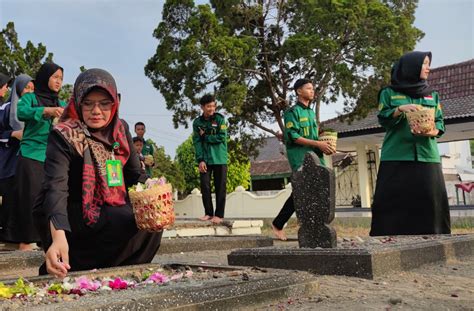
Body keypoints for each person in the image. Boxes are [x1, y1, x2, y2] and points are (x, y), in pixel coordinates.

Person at [33, 68, 163, 278]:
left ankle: (118, 272)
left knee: (146, 219)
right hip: (67, 211)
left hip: (106, 207)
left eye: (104, 104)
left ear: (115, 103)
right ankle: (70, 264)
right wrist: (57, 236)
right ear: (77, 102)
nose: (96, 111)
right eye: (88, 103)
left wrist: (152, 193)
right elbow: (55, 187)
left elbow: (134, 176)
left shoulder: (120, 130)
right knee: (120, 217)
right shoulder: (65, 134)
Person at [370, 51, 450, 236]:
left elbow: (440, 122)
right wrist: (399, 109)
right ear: (411, 66)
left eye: (429, 64)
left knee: (431, 201)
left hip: (427, 155)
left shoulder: (433, 95)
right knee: (391, 200)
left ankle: (434, 239)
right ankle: (388, 239)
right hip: (396, 154)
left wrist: (432, 131)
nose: (428, 68)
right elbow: (384, 119)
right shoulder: (388, 93)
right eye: (425, 64)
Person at [271, 79, 336, 240]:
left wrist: (325, 144)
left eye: (313, 88)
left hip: (315, 157)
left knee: (313, 191)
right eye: (308, 88)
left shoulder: (311, 113)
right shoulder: (292, 112)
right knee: (301, 191)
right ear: (299, 91)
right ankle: (279, 224)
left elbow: (313, 136)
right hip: (300, 157)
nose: (312, 91)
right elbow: (293, 136)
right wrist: (318, 144)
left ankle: (312, 225)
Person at [12, 63, 66, 251]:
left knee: (52, 198)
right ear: (45, 77)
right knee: (31, 198)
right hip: (31, 154)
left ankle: (48, 240)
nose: (58, 81)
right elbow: (21, 112)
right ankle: (26, 241)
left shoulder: (61, 104)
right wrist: (45, 111)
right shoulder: (30, 98)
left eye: (61, 78)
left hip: (54, 158)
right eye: (55, 77)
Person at [0, 74, 34, 242]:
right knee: (10, 196)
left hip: (29, 160)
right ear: (19, 88)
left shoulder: (36, 110)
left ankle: (24, 235)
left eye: (32, 89)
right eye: (26, 88)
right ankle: (8, 235)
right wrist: (13, 134)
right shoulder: (5, 109)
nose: (29, 92)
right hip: (8, 160)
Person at [192, 94, 228, 224]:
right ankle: (208, 213)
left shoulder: (220, 119)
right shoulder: (197, 123)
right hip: (205, 159)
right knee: (205, 185)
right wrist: (200, 160)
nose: (211, 109)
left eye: (213, 106)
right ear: (202, 107)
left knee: (220, 187)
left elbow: (221, 137)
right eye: (208, 106)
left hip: (220, 158)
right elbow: (197, 142)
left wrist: (206, 136)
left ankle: (219, 215)